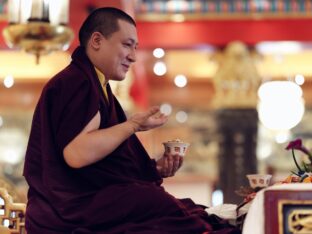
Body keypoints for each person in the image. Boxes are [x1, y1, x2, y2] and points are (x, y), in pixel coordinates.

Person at [23, 7, 240, 234]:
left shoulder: (97, 85)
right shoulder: (76, 82)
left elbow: (101, 166)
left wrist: (153, 168)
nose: (134, 56)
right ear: (97, 40)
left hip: (80, 202)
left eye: (135, 47)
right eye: (127, 44)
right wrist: (132, 125)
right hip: (65, 210)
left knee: (180, 208)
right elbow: (77, 154)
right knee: (161, 204)